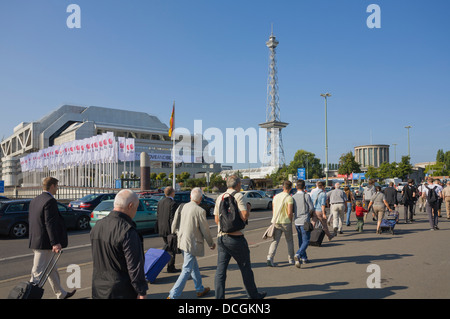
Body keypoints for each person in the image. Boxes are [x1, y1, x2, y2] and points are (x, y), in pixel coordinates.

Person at [214, 175, 266, 299]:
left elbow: (217, 220)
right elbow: (244, 216)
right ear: (237, 185)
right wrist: (248, 209)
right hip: (236, 238)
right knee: (245, 268)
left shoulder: (219, 198)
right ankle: (253, 296)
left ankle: (219, 297)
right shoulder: (238, 196)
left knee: (220, 271)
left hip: (221, 237)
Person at [90, 189, 148, 299]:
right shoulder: (127, 231)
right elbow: (134, 267)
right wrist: (141, 291)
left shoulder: (97, 226)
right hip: (121, 290)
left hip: (98, 288)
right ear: (130, 206)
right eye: (136, 208)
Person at [28, 177, 76, 299]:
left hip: (36, 240)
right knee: (37, 273)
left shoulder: (35, 200)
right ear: (53, 186)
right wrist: (55, 242)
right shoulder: (50, 201)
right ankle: (29, 296)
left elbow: (33, 221)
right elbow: (49, 223)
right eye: (57, 186)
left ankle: (61, 293)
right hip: (45, 243)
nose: (57, 188)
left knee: (51, 269)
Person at [167, 188, 215, 299]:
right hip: (192, 243)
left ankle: (200, 289)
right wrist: (211, 243)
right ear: (201, 199)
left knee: (193, 266)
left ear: (190, 197)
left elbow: (174, 224)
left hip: (182, 240)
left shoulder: (181, 206)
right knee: (187, 269)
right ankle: (173, 295)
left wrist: (176, 233)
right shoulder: (200, 211)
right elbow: (205, 230)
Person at [266, 180, 295, 267]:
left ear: (283, 187)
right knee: (289, 241)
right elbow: (290, 212)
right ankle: (291, 259)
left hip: (276, 221)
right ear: (290, 188)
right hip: (286, 222)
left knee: (275, 241)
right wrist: (290, 220)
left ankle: (269, 258)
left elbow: (273, 210)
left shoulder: (276, 197)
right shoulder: (289, 198)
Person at [157, 186, 181, 273]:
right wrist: (174, 230)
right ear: (172, 193)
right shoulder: (173, 203)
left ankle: (167, 265)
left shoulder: (160, 202)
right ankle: (170, 267)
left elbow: (158, 216)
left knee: (168, 246)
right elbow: (172, 218)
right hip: (169, 229)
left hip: (162, 228)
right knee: (171, 248)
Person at [292, 179, 314, 268]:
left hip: (297, 221)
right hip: (305, 221)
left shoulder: (293, 197)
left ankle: (304, 258)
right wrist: (310, 215)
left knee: (300, 240)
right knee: (306, 240)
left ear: (296, 187)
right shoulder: (306, 196)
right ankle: (298, 254)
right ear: (304, 187)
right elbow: (311, 208)